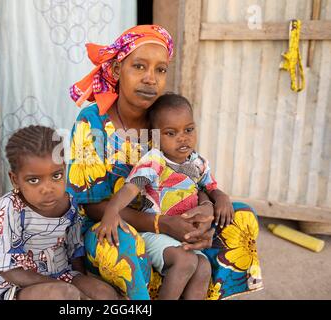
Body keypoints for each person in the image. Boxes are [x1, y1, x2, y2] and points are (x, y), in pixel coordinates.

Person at [66, 25, 263, 300]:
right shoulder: (93, 122)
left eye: (160, 70)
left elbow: (191, 173)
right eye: (139, 66)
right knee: (124, 242)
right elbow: (92, 206)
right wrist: (162, 225)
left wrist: (206, 211)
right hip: (111, 223)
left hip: (173, 216)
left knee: (239, 215)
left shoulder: (166, 119)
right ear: (115, 71)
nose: (151, 78)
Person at [97, 93, 236, 300]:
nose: (183, 137)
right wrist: (111, 211)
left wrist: (222, 197)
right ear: (155, 137)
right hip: (154, 234)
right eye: (171, 133)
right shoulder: (154, 161)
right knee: (186, 262)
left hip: (182, 235)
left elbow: (210, 188)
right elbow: (129, 189)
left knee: (204, 267)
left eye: (188, 130)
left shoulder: (197, 162)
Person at [0, 125, 120, 300]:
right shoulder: (10, 208)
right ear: (15, 180)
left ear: (65, 169)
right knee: (65, 295)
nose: (48, 189)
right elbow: (8, 270)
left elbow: (75, 251)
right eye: (34, 180)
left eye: (56, 176)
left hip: (61, 275)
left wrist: (82, 284)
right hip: (16, 287)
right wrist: (68, 289)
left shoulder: (69, 203)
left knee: (105, 294)